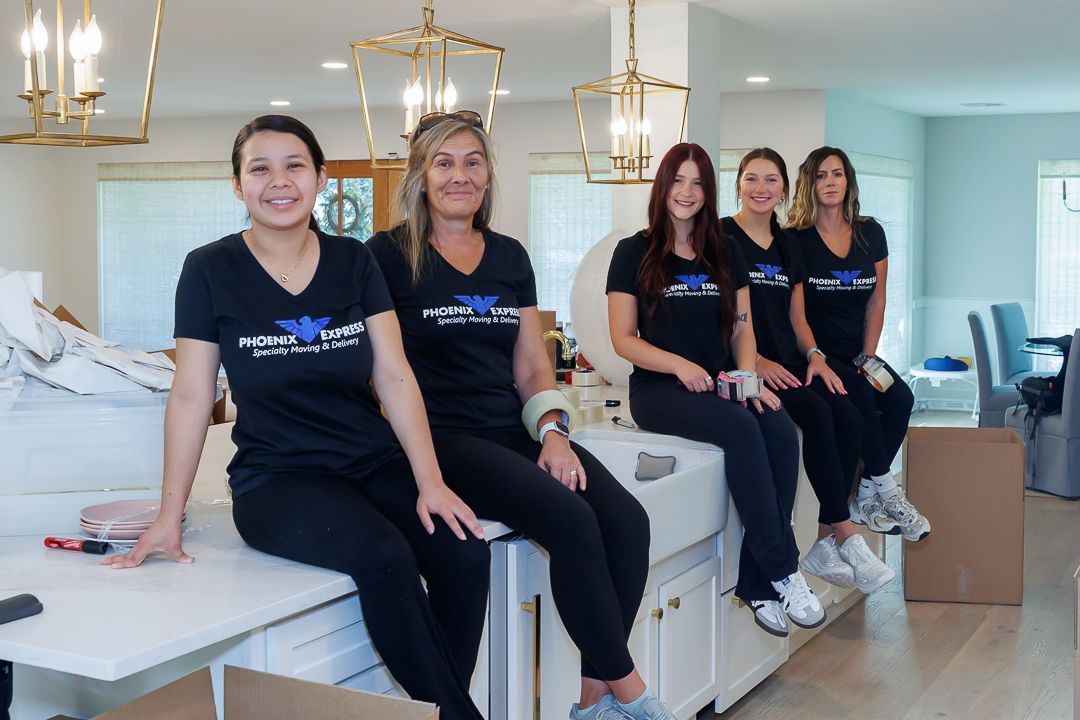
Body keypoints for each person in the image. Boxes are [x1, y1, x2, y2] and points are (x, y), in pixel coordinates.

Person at [105, 115, 491, 720]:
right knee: (385, 556)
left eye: (295, 166)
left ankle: (436, 707)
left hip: (370, 461)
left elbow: (393, 375)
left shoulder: (353, 262)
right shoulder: (209, 270)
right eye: (260, 168)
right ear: (238, 185)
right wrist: (167, 516)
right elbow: (189, 395)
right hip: (277, 480)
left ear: (321, 179)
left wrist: (431, 481)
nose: (278, 181)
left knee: (466, 550)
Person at [367, 111, 667, 720]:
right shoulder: (386, 256)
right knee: (570, 519)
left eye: (472, 163)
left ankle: (593, 696)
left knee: (628, 523)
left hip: (514, 427)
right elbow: (384, 373)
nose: (459, 176)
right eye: (444, 164)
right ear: (421, 177)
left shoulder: (509, 256)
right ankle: (633, 694)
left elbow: (532, 367)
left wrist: (553, 434)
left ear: (487, 176)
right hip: (440, 437)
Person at [607, 142, 825, 639]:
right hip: (660, 391)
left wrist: (747, 376)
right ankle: (784, 569)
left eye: (697, 183)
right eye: (677, 181)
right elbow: (624, 340)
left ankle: (758, 583)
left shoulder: (724, 251)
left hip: (719, 382)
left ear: (708, 191)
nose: (686, 193)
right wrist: (681, 366)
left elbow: (742, 327)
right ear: (663, 186)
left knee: (778, 427)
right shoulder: (633, 251)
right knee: (743, 429)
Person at [724, 148, 894, 593]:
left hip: (793, 361)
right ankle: (844, 533)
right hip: (748, 367)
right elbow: (722, 315)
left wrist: (815, 355)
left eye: (770, 181)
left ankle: (825, 540)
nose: (761, 189)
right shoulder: (721, 238)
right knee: (819, 416)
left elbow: (797, 318)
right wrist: (755, 361)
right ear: (738, 184)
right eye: (752, 179)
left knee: (851, 413)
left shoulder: (787, 244)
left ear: (784, 188)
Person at [786, 146, 929, 541]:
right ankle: (887, 489)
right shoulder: (795, 240)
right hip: (818, 355)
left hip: (859, 351)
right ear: (808, 184)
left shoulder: (871, 232)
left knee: (900, 399)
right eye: (820, 176)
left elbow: (877, 300)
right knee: (863, 398)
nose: (829, 183)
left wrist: (868, 356)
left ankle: (866, 490)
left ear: (848, 180)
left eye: (836, 174)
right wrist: (817, 354)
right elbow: (793, 313)